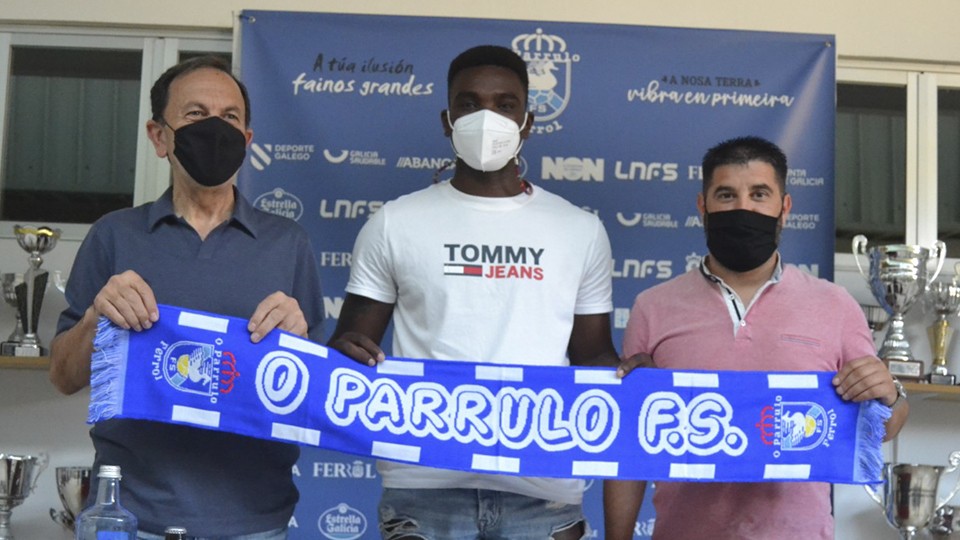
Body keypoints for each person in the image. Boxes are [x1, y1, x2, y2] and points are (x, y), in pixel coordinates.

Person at [328, 44, 620, 540]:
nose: (487, 118)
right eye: (469, 103)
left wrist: (632, 379)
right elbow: (353, 346)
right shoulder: (395, 222)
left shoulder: (580, 230)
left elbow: (592, 357)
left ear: (527, 121)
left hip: (543, 488)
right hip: (424, 484)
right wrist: (339, 356)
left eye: (505, 105)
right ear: (447, 119)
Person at [48, 55, 325, 540]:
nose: (215, 128)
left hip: (254, 519)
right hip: (130, 518)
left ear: (248, 140)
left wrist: (302, 349)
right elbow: (64, 377)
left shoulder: (289, 244)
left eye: (230, 118)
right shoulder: (114, 236)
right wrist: (98, 316)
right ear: (159, 136)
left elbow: (315, 399)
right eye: (196, 115)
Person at [603, 135, 909, 540]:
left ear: (784, 208)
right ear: (703, 206)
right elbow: (629, 448)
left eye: (759, 194)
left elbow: (880, 425)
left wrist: (889, 396)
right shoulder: (653, 307)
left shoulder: (835, 305)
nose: (743, 208)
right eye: (726, 195)